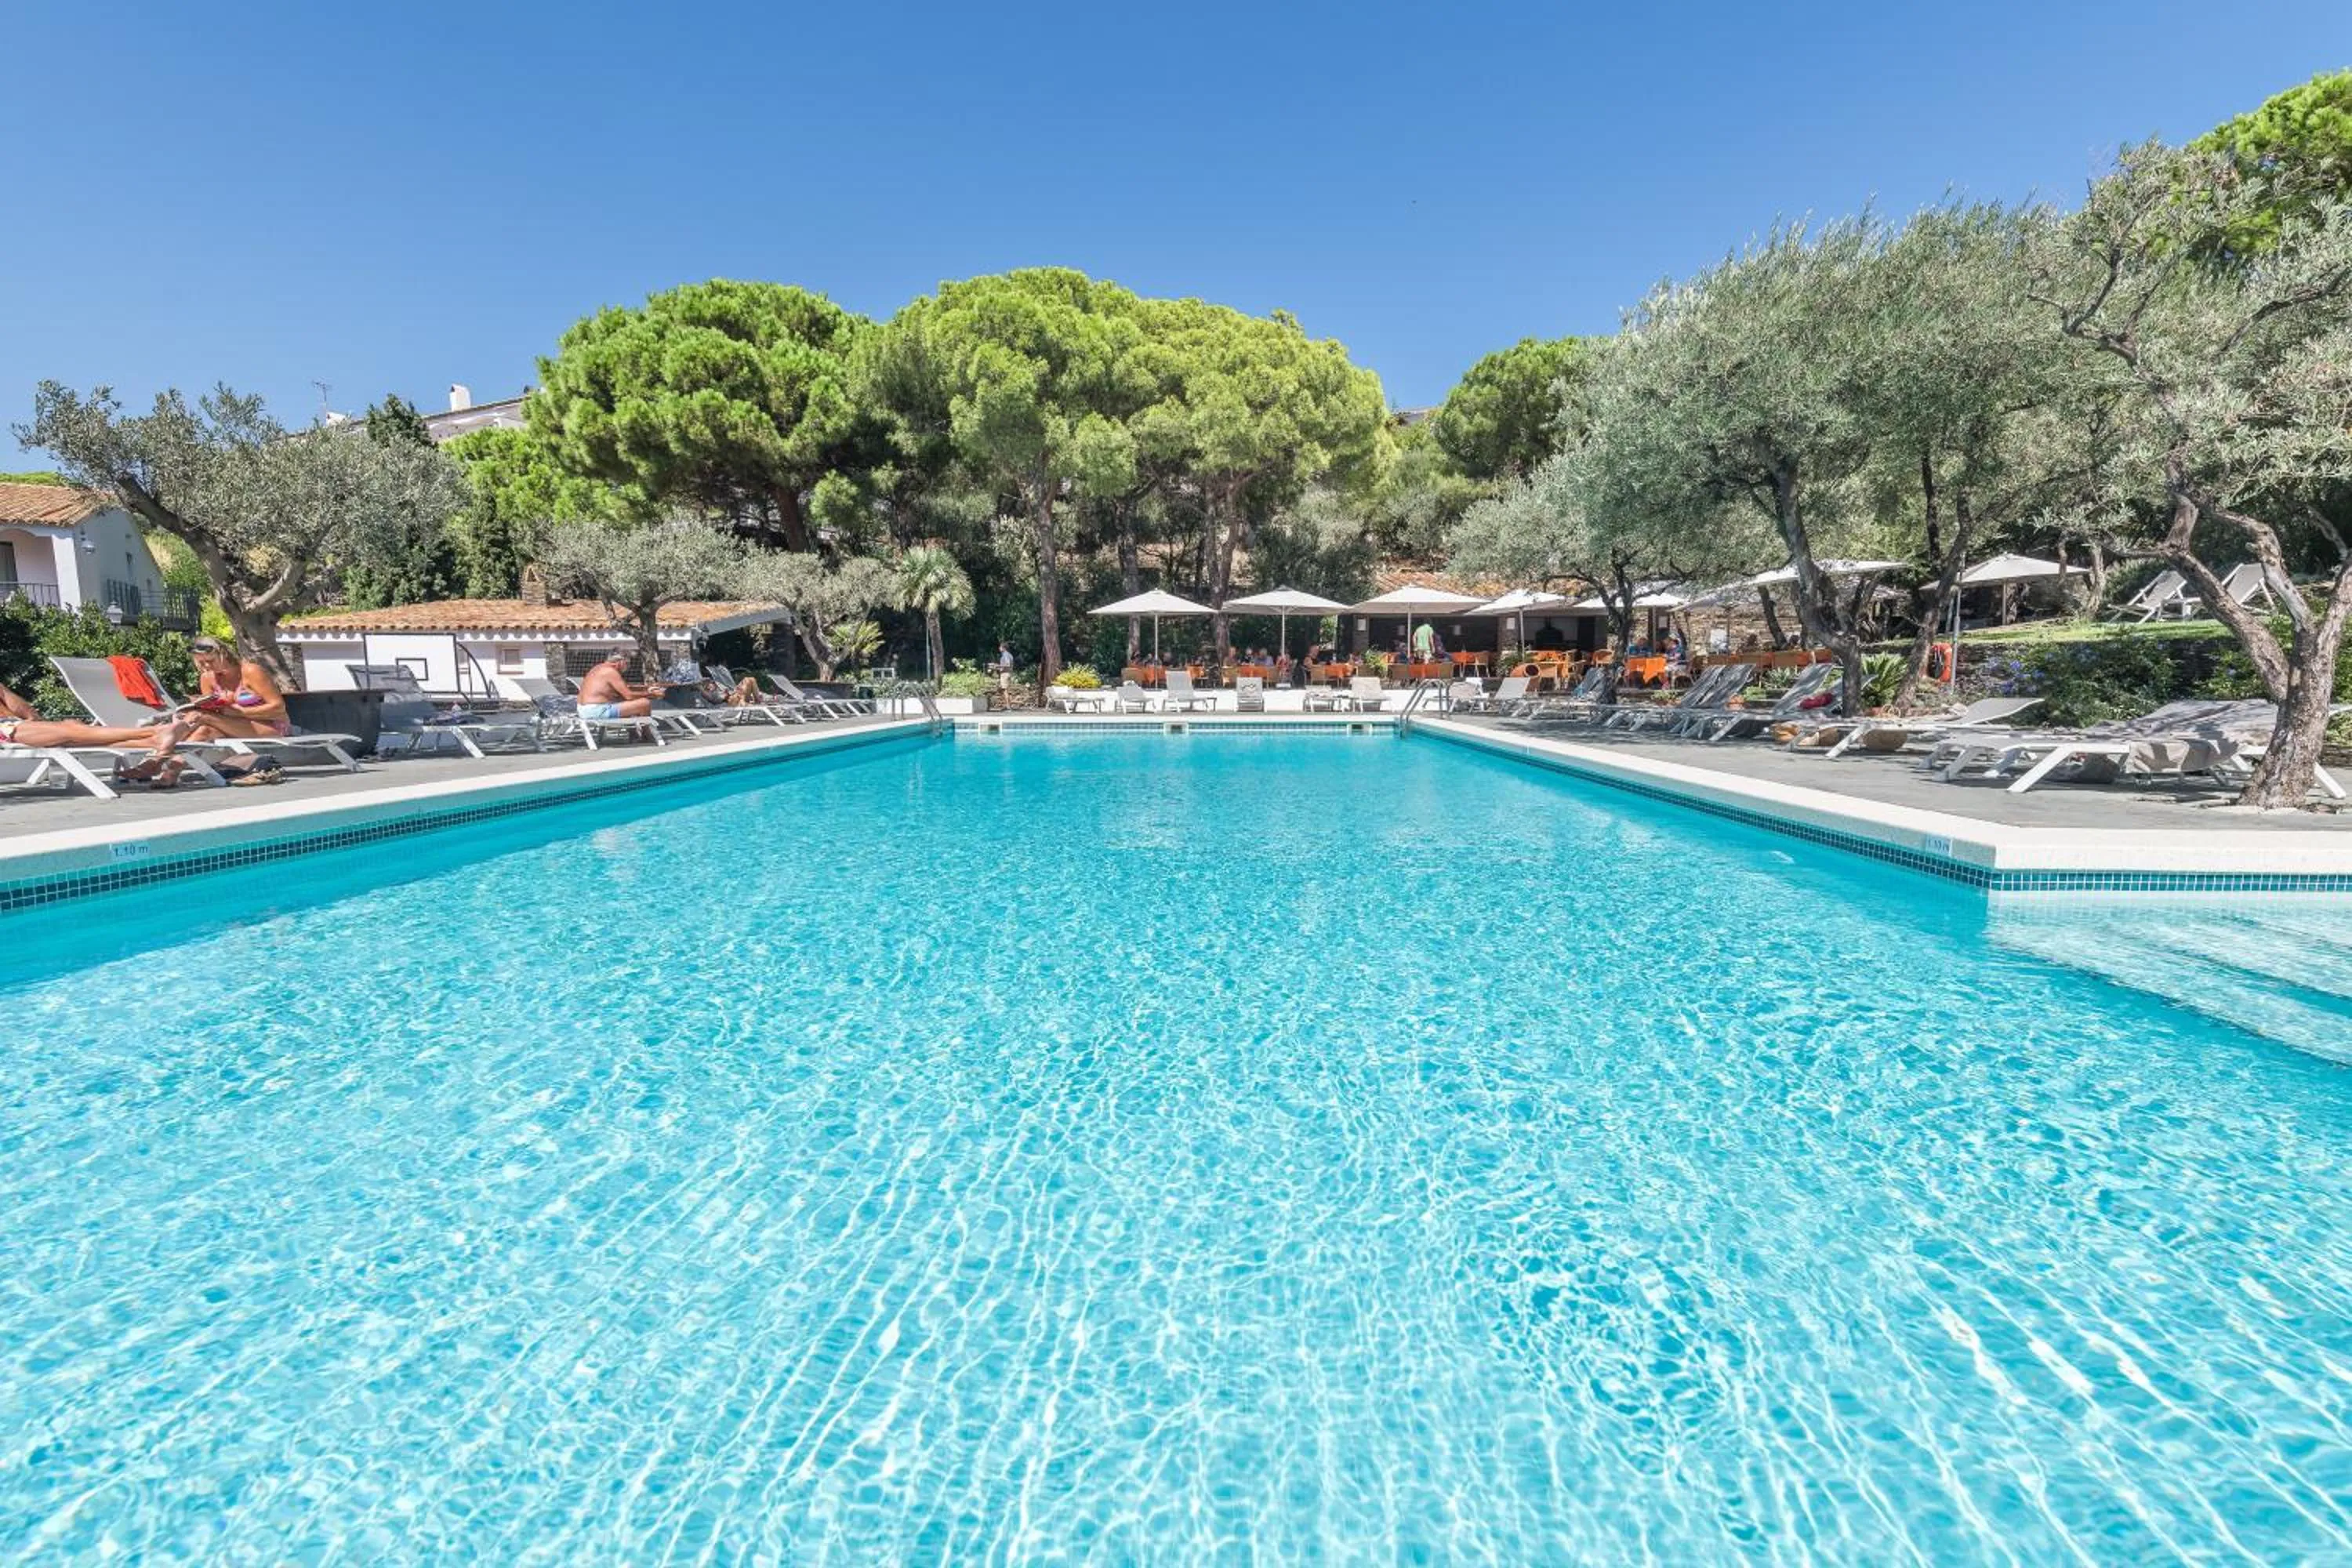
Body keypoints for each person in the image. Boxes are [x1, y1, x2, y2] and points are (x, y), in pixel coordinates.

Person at [0, 677, 192, 780]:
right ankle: (154, 733)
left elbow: (29, 714)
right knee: (71, 730)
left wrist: (36, 723)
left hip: (15, 727)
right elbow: (29, 716)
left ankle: (153, 739)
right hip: (6, 731)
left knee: (73, 729)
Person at [180, 637, 295, 741]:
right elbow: (213, 713)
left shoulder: (251, 671)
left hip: (271, 726)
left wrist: (239, 712)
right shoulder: (207, 678)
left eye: (211, 661)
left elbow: (278, 708)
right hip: (232, 725)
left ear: (223, 654)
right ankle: (169, 761)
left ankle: (168, 741)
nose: (207, 666)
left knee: (201, 716)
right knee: (203, 731)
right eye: (201, 663)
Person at [574, 649, 666, 720]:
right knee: (644, 703)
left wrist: (646, 690)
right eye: (627, 663)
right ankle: (646, 734)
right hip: (596, 711)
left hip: (584, 710)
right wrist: (653, 695)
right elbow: (629, 695)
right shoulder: (611, 672)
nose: (628, 667)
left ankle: (634, 734)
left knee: (628, 704)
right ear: (620, 662)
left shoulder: (598, 668)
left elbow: (623, 691)